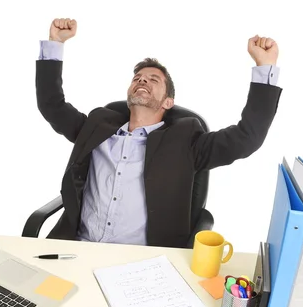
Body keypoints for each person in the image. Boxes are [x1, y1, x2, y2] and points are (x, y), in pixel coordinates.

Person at [35, 17, 282, 249]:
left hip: (139, 261)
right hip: (77, 247)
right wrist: (55, 43)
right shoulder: (97, 126)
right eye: (138, 78)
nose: (142, 81)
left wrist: (265, 67)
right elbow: (52, 105)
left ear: (168, 102)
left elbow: (246, 138)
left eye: (154, 80)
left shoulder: (186, 141)